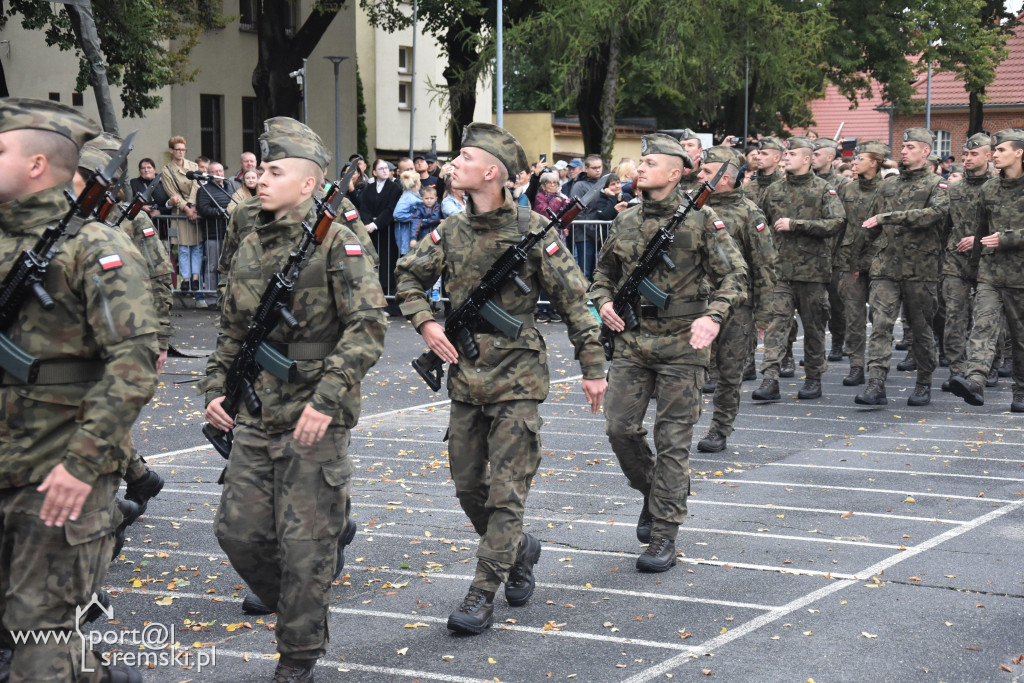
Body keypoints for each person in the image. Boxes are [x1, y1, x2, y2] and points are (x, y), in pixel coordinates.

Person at [394, 122, 607, 635]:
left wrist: (594, 367)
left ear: (491, 172)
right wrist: (426, 321)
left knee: (506, 494)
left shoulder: (535, 230)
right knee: (471, 488)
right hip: (467, 380)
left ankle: (482, 592)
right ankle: (520, 551)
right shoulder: (450, 230)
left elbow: (576, 303)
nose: (453, 164)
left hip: (519, 380)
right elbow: (406, 275)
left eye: (464, 157)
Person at [202, 117, 387, 681]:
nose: (260, 179)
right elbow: (233, 331)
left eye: (275, 171)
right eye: (260, 169)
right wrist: (216, 388)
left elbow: (368, 326)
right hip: (257, 416)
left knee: (305, 550)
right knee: (237, 531)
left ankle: (297, 657)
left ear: (308, 184)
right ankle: (301, 614)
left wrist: (327, 399)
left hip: (314, 422)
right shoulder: (251, 245)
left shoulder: (339, 244)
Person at [0, 97, 159, 683]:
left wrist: (82, 462)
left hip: (58, 474)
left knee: (38, 638)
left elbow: (135, 360)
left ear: (38, 164)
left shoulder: (94, 248)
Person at [591, 133, 746, 572]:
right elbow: (602, 273)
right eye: (640, 162)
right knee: (620, 429)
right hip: (634, 340)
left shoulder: (701, 220)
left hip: (683, 344)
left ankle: (664, 534)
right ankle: (653, 493)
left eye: (652, 163)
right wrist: (602, 301)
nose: (640, 168)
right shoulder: (625, 220)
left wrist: (713, 316)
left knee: (672, 441)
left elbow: (735, 276)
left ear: (676, 173)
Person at [855, 128, 949, 407]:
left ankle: (923, 383)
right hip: (886, 266)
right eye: (903, 146)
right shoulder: (888, 185)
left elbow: (935, 214)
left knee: (921, 329)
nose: (903, 151)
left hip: (921, 269)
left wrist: (890, 217)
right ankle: (875, 383)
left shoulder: (937, 184)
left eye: (909, 147)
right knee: (881, 325)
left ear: (925, 151)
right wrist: (859, 262)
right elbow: (873, 223)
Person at [751, 136, 845, 402]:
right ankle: (770, 378)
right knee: (775, 325)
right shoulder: (774, 190)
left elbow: (837, 222)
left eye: (792, 154)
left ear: (806, 159)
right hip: (779, 271)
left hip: (812, 272)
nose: (787, 157)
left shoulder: (823, 189)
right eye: (786, 153)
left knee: (814, 327)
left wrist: (797, 224)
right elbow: (761, 224)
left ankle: (814, 378)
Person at [696, 147, 777, 453]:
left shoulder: (748, 212)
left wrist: (763, 315)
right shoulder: (694, 206)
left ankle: (719, 429)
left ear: (725, 177)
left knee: (729, 373)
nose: (700, 175)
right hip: (694, 304)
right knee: (689, 370)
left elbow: (765, 265)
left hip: (735, 307)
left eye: (706, 172)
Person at [948, 130, 1024, 411]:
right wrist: (973, 271)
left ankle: (1021, 391)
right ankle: (975, 380)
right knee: (983, 325)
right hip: (990, 273)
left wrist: (1007, 238)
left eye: (1001, 150)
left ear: (1019, 152)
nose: (995, 154)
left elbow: (999, 235)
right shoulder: (989, 189)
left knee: (1020, 337)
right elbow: (981, 231)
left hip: (1020, 276)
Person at [941, 134, 993, 392]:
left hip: (990, 262)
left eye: (974, 154)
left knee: (988, 319)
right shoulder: (955, 189)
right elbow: (944, 226)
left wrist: (980, 240)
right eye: (965, 155)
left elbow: (1006, 227)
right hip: (956, 262)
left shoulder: (997, 186)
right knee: (955, 317)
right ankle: (958, 371)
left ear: (988, 156)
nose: (967, 159)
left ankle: (988, 367)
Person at [835, 141, 890, 387]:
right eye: (854, 159)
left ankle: (877, 368)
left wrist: (868, 259)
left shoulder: (888, 189)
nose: (854, 162)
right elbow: (840, 225)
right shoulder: (848, 189)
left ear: (875, 162)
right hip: (849, 262)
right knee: (853, 316)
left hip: (880, 261)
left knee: (880, 318)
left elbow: (887, 230)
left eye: (860, 158)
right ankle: (856, 365)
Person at [161, 136, 204, 300]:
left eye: (183, 149)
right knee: (183, 248)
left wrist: (192, 206)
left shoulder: (193, 166)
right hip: (180, 212)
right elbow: (172, 192)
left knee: (197, 247)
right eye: (177, 149)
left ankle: (195, 277)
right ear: (171, 151)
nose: (180, 152)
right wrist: (186, 208)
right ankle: (185, 279)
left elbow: (196, 186)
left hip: (194, 210)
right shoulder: (167, 170)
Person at [359, 158, 402, 295]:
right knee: (371, 262)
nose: (385, 171)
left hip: (386, 231)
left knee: (387, 265)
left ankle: (389, 298)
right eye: (381, 168)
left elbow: (391, 209)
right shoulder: (369, 188)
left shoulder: (395, 188)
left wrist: (375, 224)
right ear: (374, 172)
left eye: (387, 168)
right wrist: (367, 223)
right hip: (370, 233)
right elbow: (363, 207)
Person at [568, 154, 604, 278]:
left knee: (599, 273)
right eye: (594, 168)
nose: (598, 170)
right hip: (584, 235)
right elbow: (577, 212)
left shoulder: (603, 182)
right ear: (586, 168)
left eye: (600, 167)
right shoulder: (579, 185)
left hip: (600, 233)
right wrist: (594, 232)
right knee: (585, 272)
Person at [392, 169, 423, 256]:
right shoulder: (407, 197)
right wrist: (415, 217)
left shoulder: (413, 196)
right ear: (417, 183)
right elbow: (397, 214)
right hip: (407, 238)